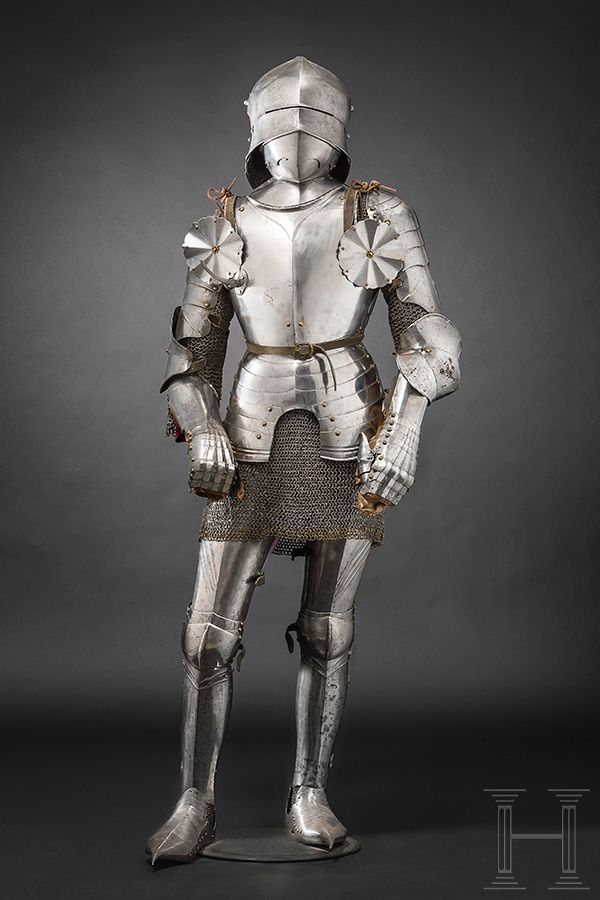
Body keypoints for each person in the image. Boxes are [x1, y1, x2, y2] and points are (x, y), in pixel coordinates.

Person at [146, 56, 461, 865]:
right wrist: (203, 425)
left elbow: (430, 335)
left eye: (311, 118)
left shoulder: (375, 213)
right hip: (252, 423)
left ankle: (308, 792)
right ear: (254, 124)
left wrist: (406, 426)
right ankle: (194, 803)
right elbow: (189, 358)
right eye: (281, 118)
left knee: (326, 628)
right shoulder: (225, 222)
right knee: (206, 638)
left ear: (338, 128)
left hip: (351, 420)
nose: (295, 134)